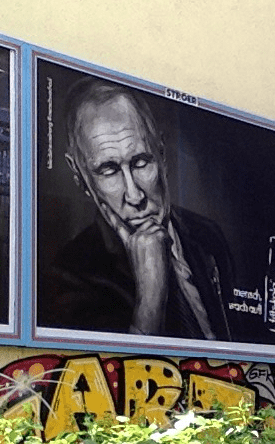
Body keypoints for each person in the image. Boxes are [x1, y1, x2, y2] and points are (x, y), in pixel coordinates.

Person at [39, 78, 234, 341]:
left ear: (161, 154)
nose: (134, 195)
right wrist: (150, 297)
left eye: (141, 162)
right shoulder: (70, 276)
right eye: (108, 170)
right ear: (79, 176)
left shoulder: (207, 235)